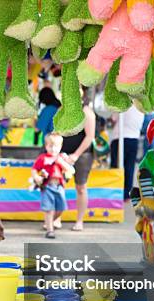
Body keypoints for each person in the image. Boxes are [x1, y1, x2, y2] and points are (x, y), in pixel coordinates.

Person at [58, 89, 96, 231]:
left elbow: (89, 136)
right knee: (57, 185)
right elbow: (58, 129)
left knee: (81, 187)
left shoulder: (86, 111)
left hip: (82, 155)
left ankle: (79, 221)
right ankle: (56, 218)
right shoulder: (63, 109)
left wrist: (75, 155)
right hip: (63, 153)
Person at [32, 134, 74, 239]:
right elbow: (34, 169)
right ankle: (50, 230)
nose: (53, 149)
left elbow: (70, 170)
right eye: (50, 146)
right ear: (46, 146)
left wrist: (61, 162)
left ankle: (49, 222)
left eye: (56, 146)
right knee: (49, 209)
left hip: (59, 186)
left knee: (61, 208)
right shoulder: (43, 158)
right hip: (47, 186)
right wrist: (36, 177)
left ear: (60, 147)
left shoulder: (61, 158)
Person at [110, 105, 145, 200]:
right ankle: (127, 194)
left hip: (119, 138)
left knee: (116, 167)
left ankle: (115, 192)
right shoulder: (141, 105)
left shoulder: (122, 102)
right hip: (134, 139)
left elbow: (113, 118)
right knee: (130, 167)